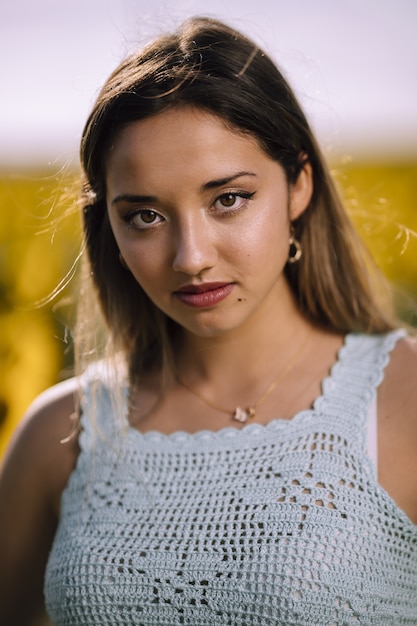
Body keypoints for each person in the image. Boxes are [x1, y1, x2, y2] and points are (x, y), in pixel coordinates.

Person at [1, 15, 416, 626]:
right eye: (144, 215)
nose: (190, 257)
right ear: (108, 227)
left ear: (298, 184)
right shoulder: (59, 436)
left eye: (228, 199)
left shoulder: (402, 398)